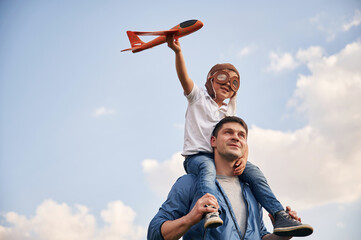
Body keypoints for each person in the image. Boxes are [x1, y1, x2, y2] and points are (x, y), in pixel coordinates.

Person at [165, 35, 313, 236]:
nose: (227, 85)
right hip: (197, 157)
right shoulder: (197, 97)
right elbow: (184, 78)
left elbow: (243, 142)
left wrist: (243, 159)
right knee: (207, 169)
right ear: (211, 79)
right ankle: (210, 210)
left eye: (233, 84)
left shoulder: (228, 113)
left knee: (254, 172)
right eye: (223, 79)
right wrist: (178, 52)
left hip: (221, 159)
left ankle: (279, 215)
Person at [147, 116, 313, 239]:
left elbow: (261, 236)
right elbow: (154, 233)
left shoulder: (252, 191)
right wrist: (190, 218)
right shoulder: (190, 183)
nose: (236, 137)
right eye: (228, 132)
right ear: (213, 141)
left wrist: (284, 235)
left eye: (241, 135)